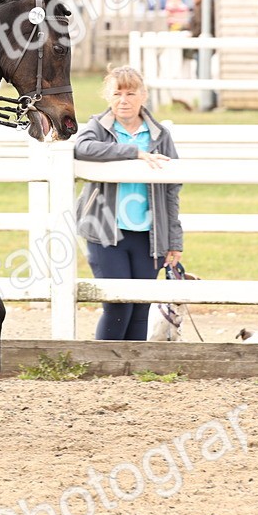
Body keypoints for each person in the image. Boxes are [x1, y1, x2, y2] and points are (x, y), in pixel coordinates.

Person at [74, 66, 183, 340]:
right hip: (106, 232)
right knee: (117, 305)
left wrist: (174, 240)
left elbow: (172, 190)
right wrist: (133, 153)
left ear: (143, 96)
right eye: (117, 93)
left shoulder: (160, 135)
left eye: (131, 93)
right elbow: (81, 148)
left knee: (140, 307)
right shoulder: (98, 128)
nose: (124, 99)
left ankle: (132, 373)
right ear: (108, 97)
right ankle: (104, 366)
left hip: (149, 235)